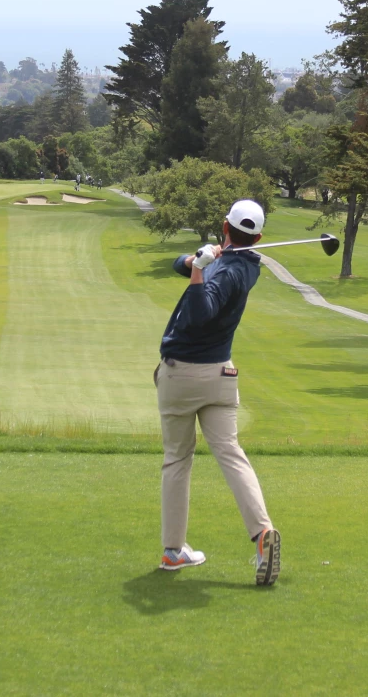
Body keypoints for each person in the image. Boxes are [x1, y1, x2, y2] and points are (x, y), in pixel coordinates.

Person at [155, 199, 280, 586]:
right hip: (221, 376)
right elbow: (180, 264)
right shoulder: (245, 264)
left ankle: (174, 552)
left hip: (181, 375)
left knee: (177, 458)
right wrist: (195, 260)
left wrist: (200, 270)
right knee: (230, 452)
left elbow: (199, 314)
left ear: (224, 225)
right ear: (257, 237)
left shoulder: (226, 272)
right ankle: (262, 534)